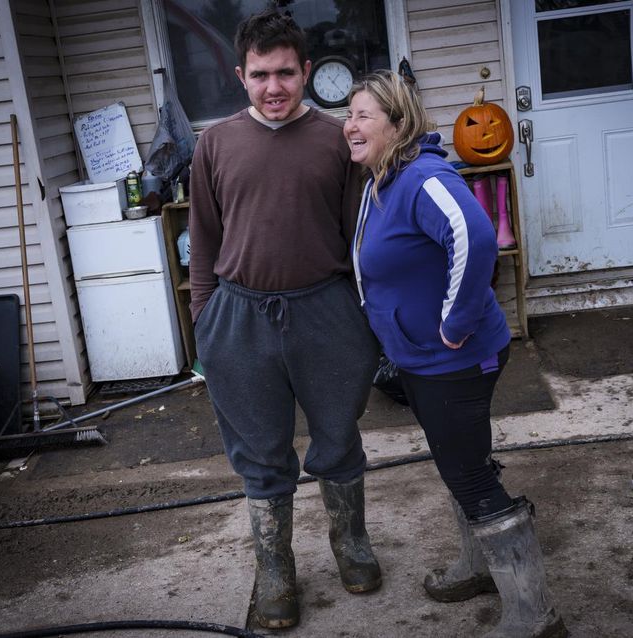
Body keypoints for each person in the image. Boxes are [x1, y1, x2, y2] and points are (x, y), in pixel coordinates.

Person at [344, 70, 568, 638]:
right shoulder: (382, 181)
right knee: (459, 463)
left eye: (364, 114)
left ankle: (534, 614)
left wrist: (454, 322)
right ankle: (478, 567)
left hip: (455, 360)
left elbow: (476, 235)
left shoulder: (420, 176)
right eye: (348, 114)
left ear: (399, 123)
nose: (350, 124)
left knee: (469, 475)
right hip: (421, 360)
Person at [189, 10, 381, 630]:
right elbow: (204, 238)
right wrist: (205, 318)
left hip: (326, 312)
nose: (275, 87)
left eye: (287, 74)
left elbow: (359, 236)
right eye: (261, 74)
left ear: (306, 73)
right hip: (240, 317)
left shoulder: (335, 140)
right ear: (240, 75)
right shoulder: (215, 144)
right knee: (261, 454)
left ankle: (350, 545)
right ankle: (275, 569)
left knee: (337, 436)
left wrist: (363, 317)